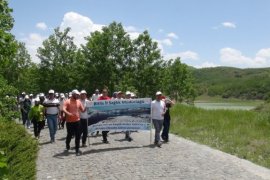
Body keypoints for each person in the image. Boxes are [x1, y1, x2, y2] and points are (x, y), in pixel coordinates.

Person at [63, 89, 85, 156]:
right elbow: (63, 109)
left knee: (78, 135)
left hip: (77, 121)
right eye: (76, 94)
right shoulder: (67, 101)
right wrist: (68, 113)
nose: (78, 95)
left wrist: (88, 108)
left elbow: (83, 110)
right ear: (73, 94)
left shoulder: (78, 102)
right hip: (69, 122)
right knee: (69, 134)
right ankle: (67, 143)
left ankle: (77, 150)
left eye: (78, 94)